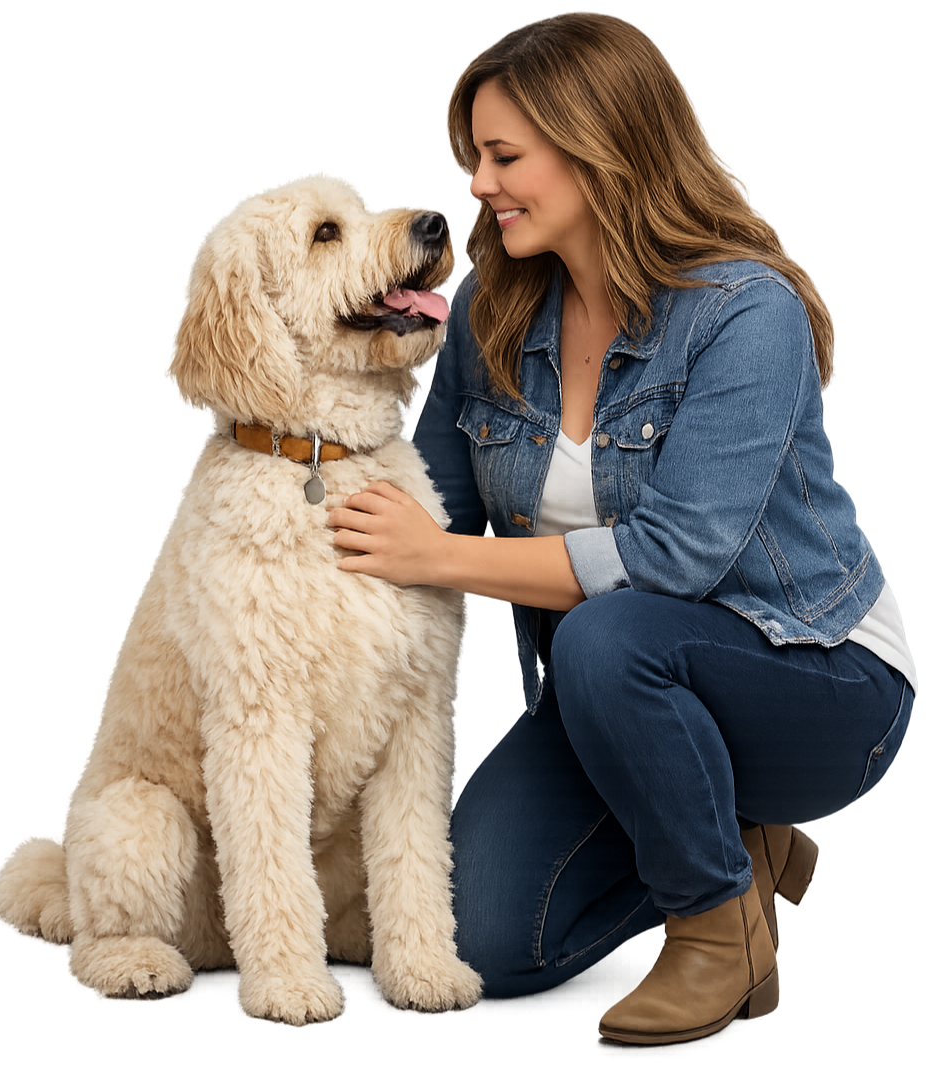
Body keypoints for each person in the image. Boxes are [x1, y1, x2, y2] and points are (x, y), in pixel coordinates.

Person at [326, 12, 917, 1048]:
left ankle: (716, 926)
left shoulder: (745, 311)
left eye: (504, 157)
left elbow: (673, 559)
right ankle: (728, 839)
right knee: (482, 942)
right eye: (474, 159)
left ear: (599, 148)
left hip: (812, 684)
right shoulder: (488, 313)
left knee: (614, 626)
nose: (479, 187)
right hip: (608, 703)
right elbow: (442, 517)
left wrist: (437, 553)